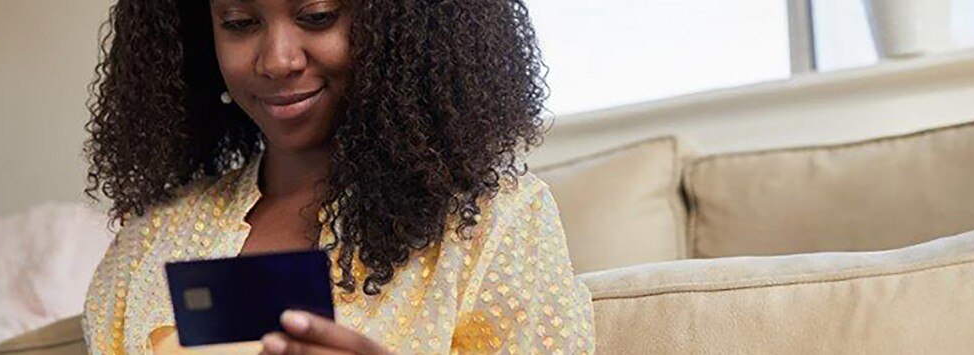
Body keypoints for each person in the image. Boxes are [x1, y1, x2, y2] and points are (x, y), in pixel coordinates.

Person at [81, 0, 595, 353]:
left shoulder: (492, 220)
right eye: (239, 22)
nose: (278, 60)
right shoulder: (150, 238)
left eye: (317, 16)